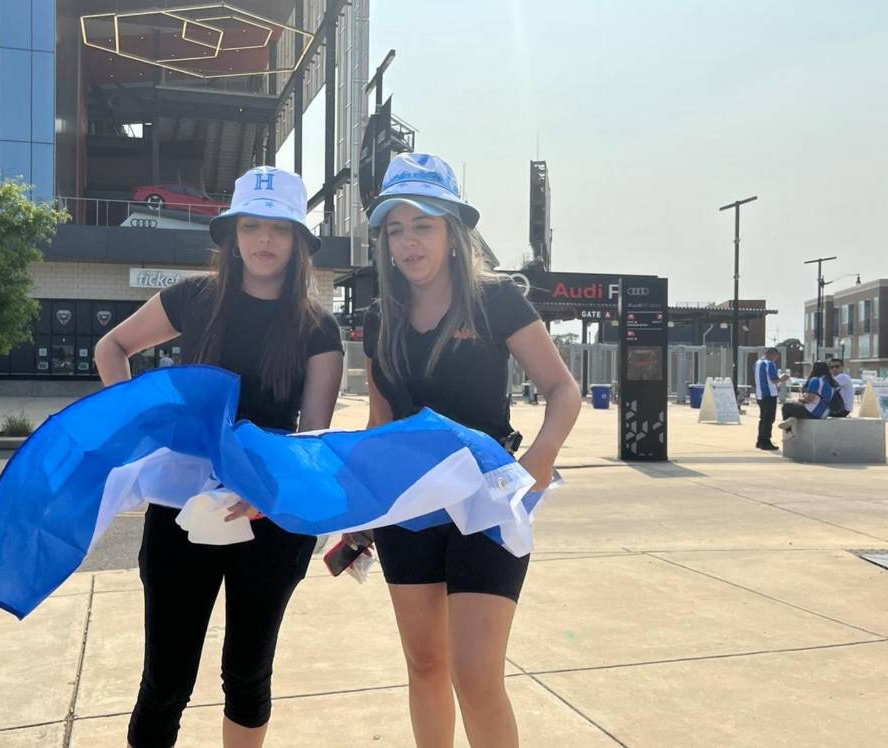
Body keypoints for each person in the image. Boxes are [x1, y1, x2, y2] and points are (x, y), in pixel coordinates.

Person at [93, 166, 344, 748]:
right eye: (251, 226)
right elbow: (113, 346)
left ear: (299, 243)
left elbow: (314, 435)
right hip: (184, 513)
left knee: (248, 674)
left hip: (272, 517)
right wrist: (136, 427)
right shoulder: (193, 299)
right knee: (165, 679)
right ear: (232, 235)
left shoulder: (318, 328)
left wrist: (269, 492)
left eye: (278, 229)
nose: (263, 241)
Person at [361, 153, 582, 747]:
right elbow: (380, 423)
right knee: (425, 666)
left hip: (487, 506)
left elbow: (564, 389)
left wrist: (538, 462)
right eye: (395, 228)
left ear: (454, 233)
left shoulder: (498, 301)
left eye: (423, 225)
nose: (408, 242)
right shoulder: (379, 316)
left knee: (477, 674)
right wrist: (361, 511)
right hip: (407, 510)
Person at [754, 347, 789, 451]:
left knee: (763, 419)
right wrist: (782, 379)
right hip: (769, 394)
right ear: (772, 354)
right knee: (769, 419)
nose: (776, 359)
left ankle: (760, 441)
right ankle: (766, 442)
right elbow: (774, 380)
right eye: (776, 357)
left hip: (760, 394)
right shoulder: (769, 364)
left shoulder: (757, 363)